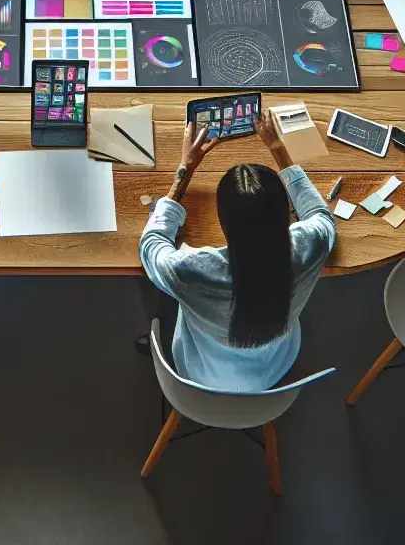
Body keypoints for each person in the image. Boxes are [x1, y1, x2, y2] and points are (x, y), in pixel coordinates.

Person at [139, 111, 337, 392]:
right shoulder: (311, 245)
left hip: (201, 375)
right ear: (285, 216)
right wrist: (279, 151)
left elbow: (151, 245)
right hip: (276, 368)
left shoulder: (190, 270)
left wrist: (185, 171)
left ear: (224, 223)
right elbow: (321, 215)